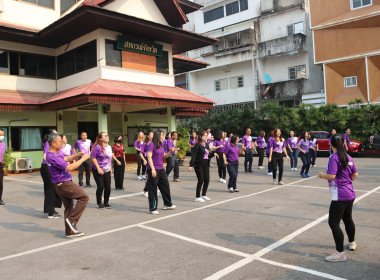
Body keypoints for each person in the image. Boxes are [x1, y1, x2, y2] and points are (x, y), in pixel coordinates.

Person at [318, 134, 358, 262]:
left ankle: (340, 252)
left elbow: (332, 176)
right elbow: (355, 174)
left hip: (339, 195)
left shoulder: (333, 158)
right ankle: (352, 242)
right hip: (350, 193)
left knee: (333, 223)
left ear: (331, 144)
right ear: (343, 144)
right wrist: (347, 182)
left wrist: (321, 175)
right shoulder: (348, 156)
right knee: (347, 219)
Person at [46, 133, 89, 238]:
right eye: (60, 141)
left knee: (69, 207)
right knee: (84, 197)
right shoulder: (51, 156)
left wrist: (76, 155)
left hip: (63, 183)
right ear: (53, 143)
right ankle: (72, 220)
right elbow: (69, 168)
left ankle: (70, 231)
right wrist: (83, 159)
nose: (62, 143)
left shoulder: (57, 152)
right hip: (64, 184)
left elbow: (66, 158)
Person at [146, 130, 176, 215]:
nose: (163, 137)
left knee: (165, 186)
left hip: (161, 169)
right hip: (153, 169)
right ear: (157, 136)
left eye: (163, 135)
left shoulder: (160, 145)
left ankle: (167, 204)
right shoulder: (151, 145)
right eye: (161, 135)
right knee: (153, 189)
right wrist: (152, 169)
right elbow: (149, 157)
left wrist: (170, 151)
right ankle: (153, 208)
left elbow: (164, 156)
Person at [189, 130, 220, 202]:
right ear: (200, 136)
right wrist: (191, 165)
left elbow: (208, 154)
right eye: (204, 136)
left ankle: (203, 194)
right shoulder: (197, 145)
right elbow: (194, 156)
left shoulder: (206, 145)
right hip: (199, 164)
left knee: (207, 180)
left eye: (207, 135)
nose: (206, 137)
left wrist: (213, 154)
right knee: (201, 180)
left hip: (206, 163)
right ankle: (197, 196)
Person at [91, 132, 119, 209]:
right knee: (100, 186)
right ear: (100, 139)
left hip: (106, 169)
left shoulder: (109, 147)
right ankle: (99, 202)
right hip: (97, 169)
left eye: (107, 135)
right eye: (105, 136)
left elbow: (109, 159)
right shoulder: (97, 147)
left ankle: (106, 202)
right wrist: (98, 168)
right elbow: (93, 158)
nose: (107, 137)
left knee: (108, 187)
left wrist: (110, 168)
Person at [41, 129, 62, 219]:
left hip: (50, 167)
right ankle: (50, 212)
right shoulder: (48, 144)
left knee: (54, 189)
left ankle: (52, 209)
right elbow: (45, 156)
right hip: (47, 167)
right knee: (50, 190)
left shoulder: (56, 145)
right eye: (55, 133)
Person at [140, 131, 153, 197]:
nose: (152, 136)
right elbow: (141, 153)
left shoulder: (154, 144)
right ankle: (146, 190)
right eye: (151, 135)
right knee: (149, 178)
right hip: (147, 160)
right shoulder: (145, 144)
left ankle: (153, 190)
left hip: (154, 160)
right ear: (147, 136)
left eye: (153, 135)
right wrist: (144, 160)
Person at [0, 128, 6, 205]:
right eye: (0, 135)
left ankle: (0, 198)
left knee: (0, 182)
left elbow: (3, 155)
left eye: (3, 135)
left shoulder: (3, 144)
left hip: (0, 165)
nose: (1, 136)